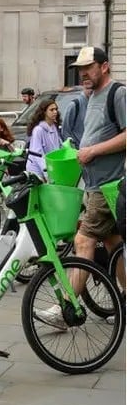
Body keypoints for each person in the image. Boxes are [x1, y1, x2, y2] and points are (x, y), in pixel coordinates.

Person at [41, 46, 126, 327]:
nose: (83, 73)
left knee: (83, 241)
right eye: (80, 69)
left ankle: (67, 308)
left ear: (104, 66)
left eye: (88, 67)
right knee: (113, 243)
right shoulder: (92, 97)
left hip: (109, 183)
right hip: (96, 185)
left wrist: (94, 151)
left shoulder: (118, 93)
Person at [25, 100, 62, 179]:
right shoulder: (38, 130)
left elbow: (57, 148)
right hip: (36, 170)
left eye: (56, 109)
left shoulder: (54, 127)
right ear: (44, 112)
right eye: (51, 110)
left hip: (50, 168)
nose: (55, 112)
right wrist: (46, 172)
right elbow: (37, 153)